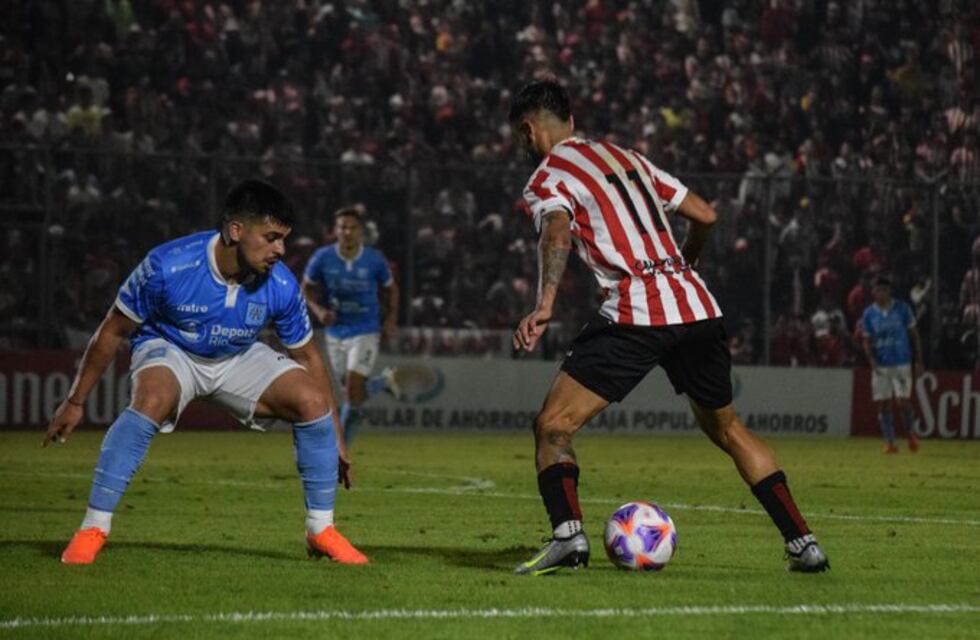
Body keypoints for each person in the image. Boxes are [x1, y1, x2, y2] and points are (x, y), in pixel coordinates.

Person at [507, 80, 828, 575]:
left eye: (520, 138)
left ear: (529, 131)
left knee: (553, 426)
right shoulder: (626, 157)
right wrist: (686, 262)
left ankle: (569, 537)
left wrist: (544, 303)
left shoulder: (548, 176)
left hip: (637, 312)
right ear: (570, 121)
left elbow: (556, 231)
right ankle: (803, 544)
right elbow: (705, 213)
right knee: (728, 428)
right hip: (698, 307)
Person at [45, 179, 367, 565]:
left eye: (283, 239)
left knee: (311, 399)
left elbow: (310, 359)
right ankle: (92, 528)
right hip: (171, 348)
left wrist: (335, 437)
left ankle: (321, 530)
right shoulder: (168, 266)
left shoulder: (280, 283)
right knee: (152, 399)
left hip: (236, 355)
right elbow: (113, 328)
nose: (280, 250)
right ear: (236, 231)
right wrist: (75, 401)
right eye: (271, 238)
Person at [301, 207, 400, 445]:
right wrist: (319, 310)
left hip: (365, 329)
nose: (347, 232)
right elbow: (304, 288)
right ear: (335, 231)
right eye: (342, 227)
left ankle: (338, 450)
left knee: (352, 391)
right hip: (336, 332)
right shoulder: (322, 258)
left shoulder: (374, 259)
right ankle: (382, 383)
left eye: (352, 227)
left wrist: (390, 319)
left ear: (361, 232)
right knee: (352, 394)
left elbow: (391, 289)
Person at [860, 274, 923, 453]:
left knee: (903, 401)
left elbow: (914, 335)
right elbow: (866, 339)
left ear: (890, 292)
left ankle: (910, 434)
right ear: (873, 292)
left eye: (885, 290)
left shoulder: (902, 309)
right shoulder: (869, 314)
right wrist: (871, 360)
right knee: (884, 403)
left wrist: (919, 360)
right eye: (878, 290)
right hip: (881, 365)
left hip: (902, 362)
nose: (882, 293)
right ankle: (890, 442)